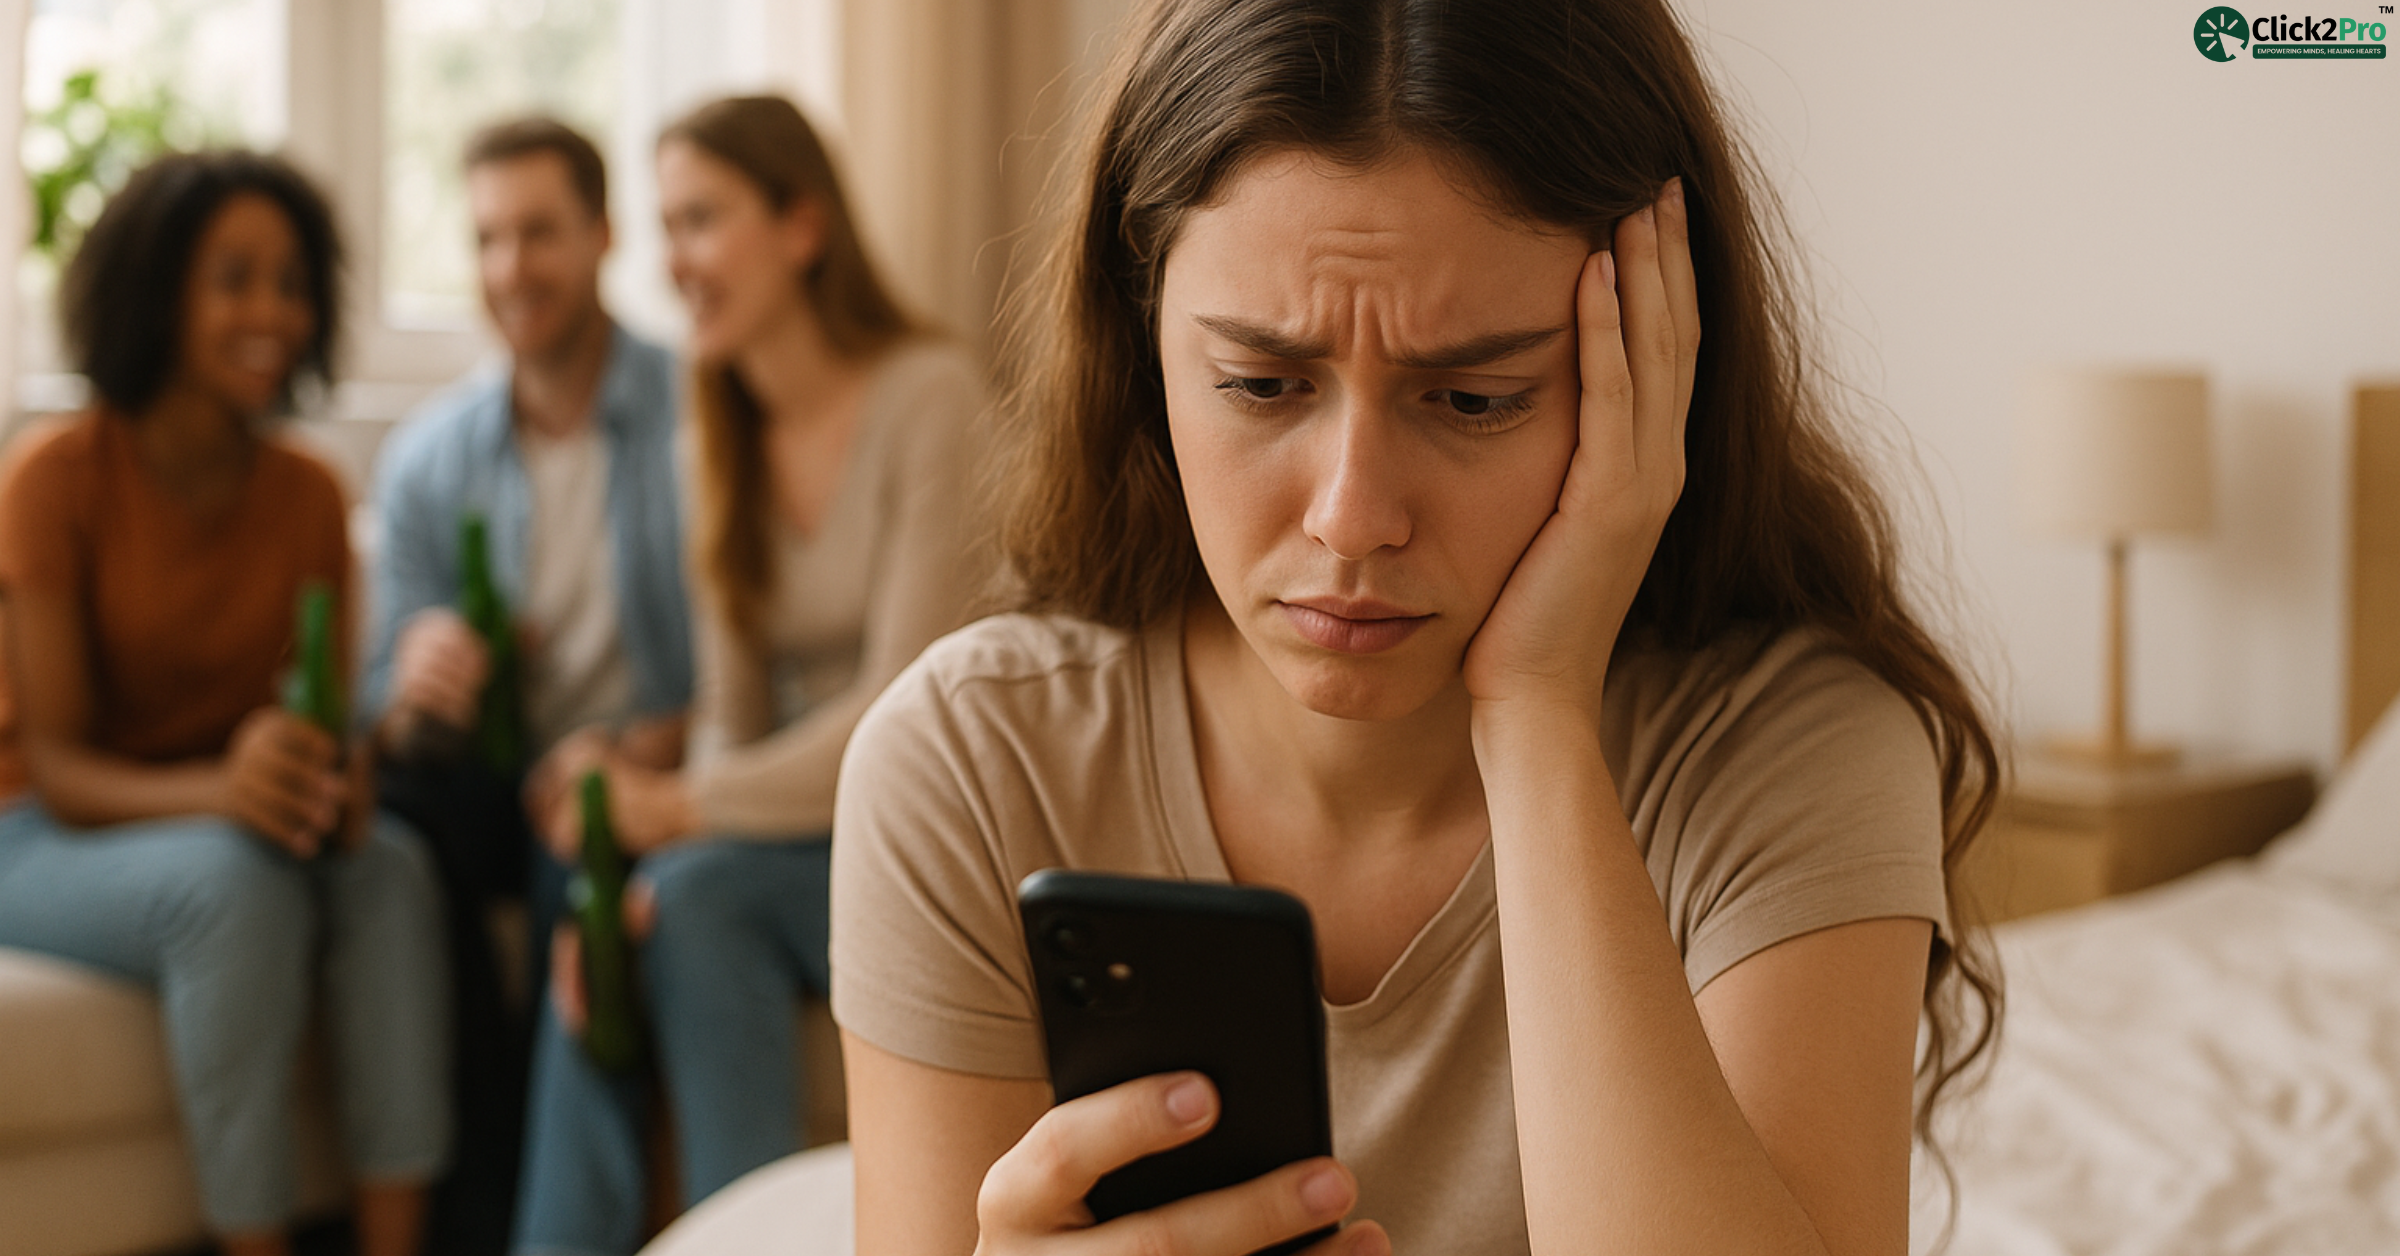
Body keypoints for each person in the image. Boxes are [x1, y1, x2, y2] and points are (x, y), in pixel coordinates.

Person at [829, 1, 2006, 1254]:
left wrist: (1539, 714)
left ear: (1656, 366)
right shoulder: (971, 762)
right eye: (1260, 384)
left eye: (1474, 398)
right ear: (1141, 348)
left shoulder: (1789, 752)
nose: (1352, 517)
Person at [510, 94, 987, 1256]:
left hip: (947, 838)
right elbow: (731, 716)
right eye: (665, 226)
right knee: (639, 919)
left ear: (801, 226)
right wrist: (641, 875)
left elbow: (901, 714)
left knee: (693, 891)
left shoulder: (931, 398)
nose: (673, 261)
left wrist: (678, 811)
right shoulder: (712, 432)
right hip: (797, 846)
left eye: (702, 219)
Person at [0, 151, 449, 1256]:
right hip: (42, 828)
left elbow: (320, 724)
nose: (273, 313)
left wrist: (337, 784)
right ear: (157, 293)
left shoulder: (309, 493)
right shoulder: (54, 477)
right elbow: (59, 767)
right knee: (235, 888)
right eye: (234, 279)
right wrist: (225, 791)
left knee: (390, 870)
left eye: (291, 283)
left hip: (226, 819)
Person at [362, 114, 690, 1256]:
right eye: (488, 238)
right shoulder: (428, 456)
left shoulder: (698, 414)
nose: (511, 268)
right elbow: (382, 714)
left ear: (603, 234)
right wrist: (415, 684)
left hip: (632, 768)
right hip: (489, 780)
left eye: (539, 233)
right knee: (396, 829)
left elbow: (750, 661)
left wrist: (646, 745)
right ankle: (468, 1209)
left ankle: (542, 1225)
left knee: (576, 845)